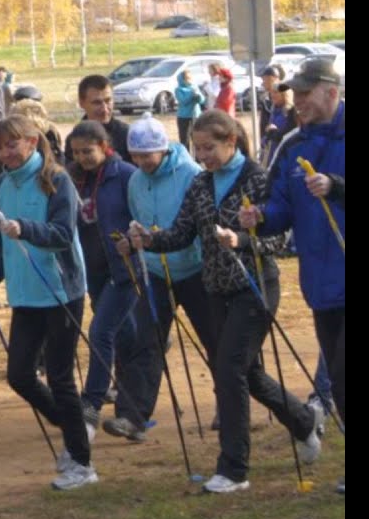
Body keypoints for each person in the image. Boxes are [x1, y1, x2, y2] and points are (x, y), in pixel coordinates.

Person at [129, 110, 323, 494]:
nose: (202, 156)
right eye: (197, 148)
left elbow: (278, 239)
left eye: (209, 148)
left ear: (231, 141)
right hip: (215, 287)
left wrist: (242, 240)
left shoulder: (257, 178)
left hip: (254, 286)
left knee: (228, 368)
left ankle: (233, 469)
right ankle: (303, 420)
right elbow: (182, 233)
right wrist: (148, 240)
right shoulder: (201, 183)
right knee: (245, 372)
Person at [239, 57, 345, 495]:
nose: (296, 101)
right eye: (293, 94)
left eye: (304, 93)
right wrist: (260, 218)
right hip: (321, 283)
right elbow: (282, 205)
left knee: (344, 374)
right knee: (338, 383)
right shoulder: (293, 144)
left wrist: (337, 186)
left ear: (331, 92)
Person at [0, 113, 96, 490]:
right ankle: (71, 423)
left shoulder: (56, 180)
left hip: (61, 291)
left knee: (60, 377)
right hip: (25, 294)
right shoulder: (1, 185)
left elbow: (63, 234)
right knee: (19, 375)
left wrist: (26, 228)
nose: (5, 152)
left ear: (31, 142)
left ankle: (81, 463)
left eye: (12, 144)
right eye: (0, 146)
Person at [104, 114, 217, 441]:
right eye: (135, 156)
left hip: (193, 270)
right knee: (146, 341)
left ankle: (228, 403)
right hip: (154, 271)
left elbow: (200, 225)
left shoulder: (191, 175)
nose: (141, 162)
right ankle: (132, 416)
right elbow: (136, 219)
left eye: (147, 155)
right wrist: (132, 239)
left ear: (163, 150)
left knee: (214, 339)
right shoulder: (136, 180)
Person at [65, 121, 142, 442]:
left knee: (100, 331)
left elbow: (141, 214)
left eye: (88, 151)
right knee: (126, 339)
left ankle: (92, 403)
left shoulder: (124, 174)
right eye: (77, 152)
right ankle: (135, 413)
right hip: (93, 271)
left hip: (125, 270)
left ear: (104, 146)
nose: (83, 157)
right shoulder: (70, 177)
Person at [74, 75, 131, 162]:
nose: (104, 109)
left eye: (108, 101)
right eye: (97, 103)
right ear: (82, 103)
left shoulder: (126, 134)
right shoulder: (75, 137)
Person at [174, 71, 207, 155]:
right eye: (186, 79)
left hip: (195, 116)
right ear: (182, 80)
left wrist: (198, 97)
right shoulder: (178, 90)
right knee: (184, 138)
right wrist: (191, 96)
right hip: (184, 117)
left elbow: (202, 100)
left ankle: (198, 157)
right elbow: (183, 101)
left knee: (197, 137)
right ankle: (186, 156)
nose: (189, 80)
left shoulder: (194, 87)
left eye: (190, 78)